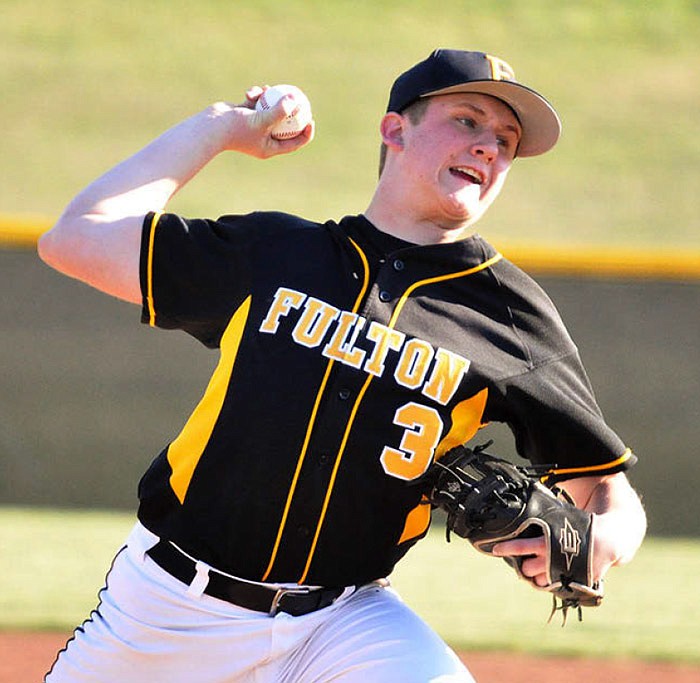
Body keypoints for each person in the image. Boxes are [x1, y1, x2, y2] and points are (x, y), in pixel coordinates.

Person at [38, 49, 646, 682]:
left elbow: (605, 485)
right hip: (167, 612)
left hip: (344, 621)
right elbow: (76, 238)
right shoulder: (276, 255)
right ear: (395, 129)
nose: (490, 147)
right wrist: (221, 128)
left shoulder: (510, 315)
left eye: (506, 139)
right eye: (468, 121)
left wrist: (605, 537)